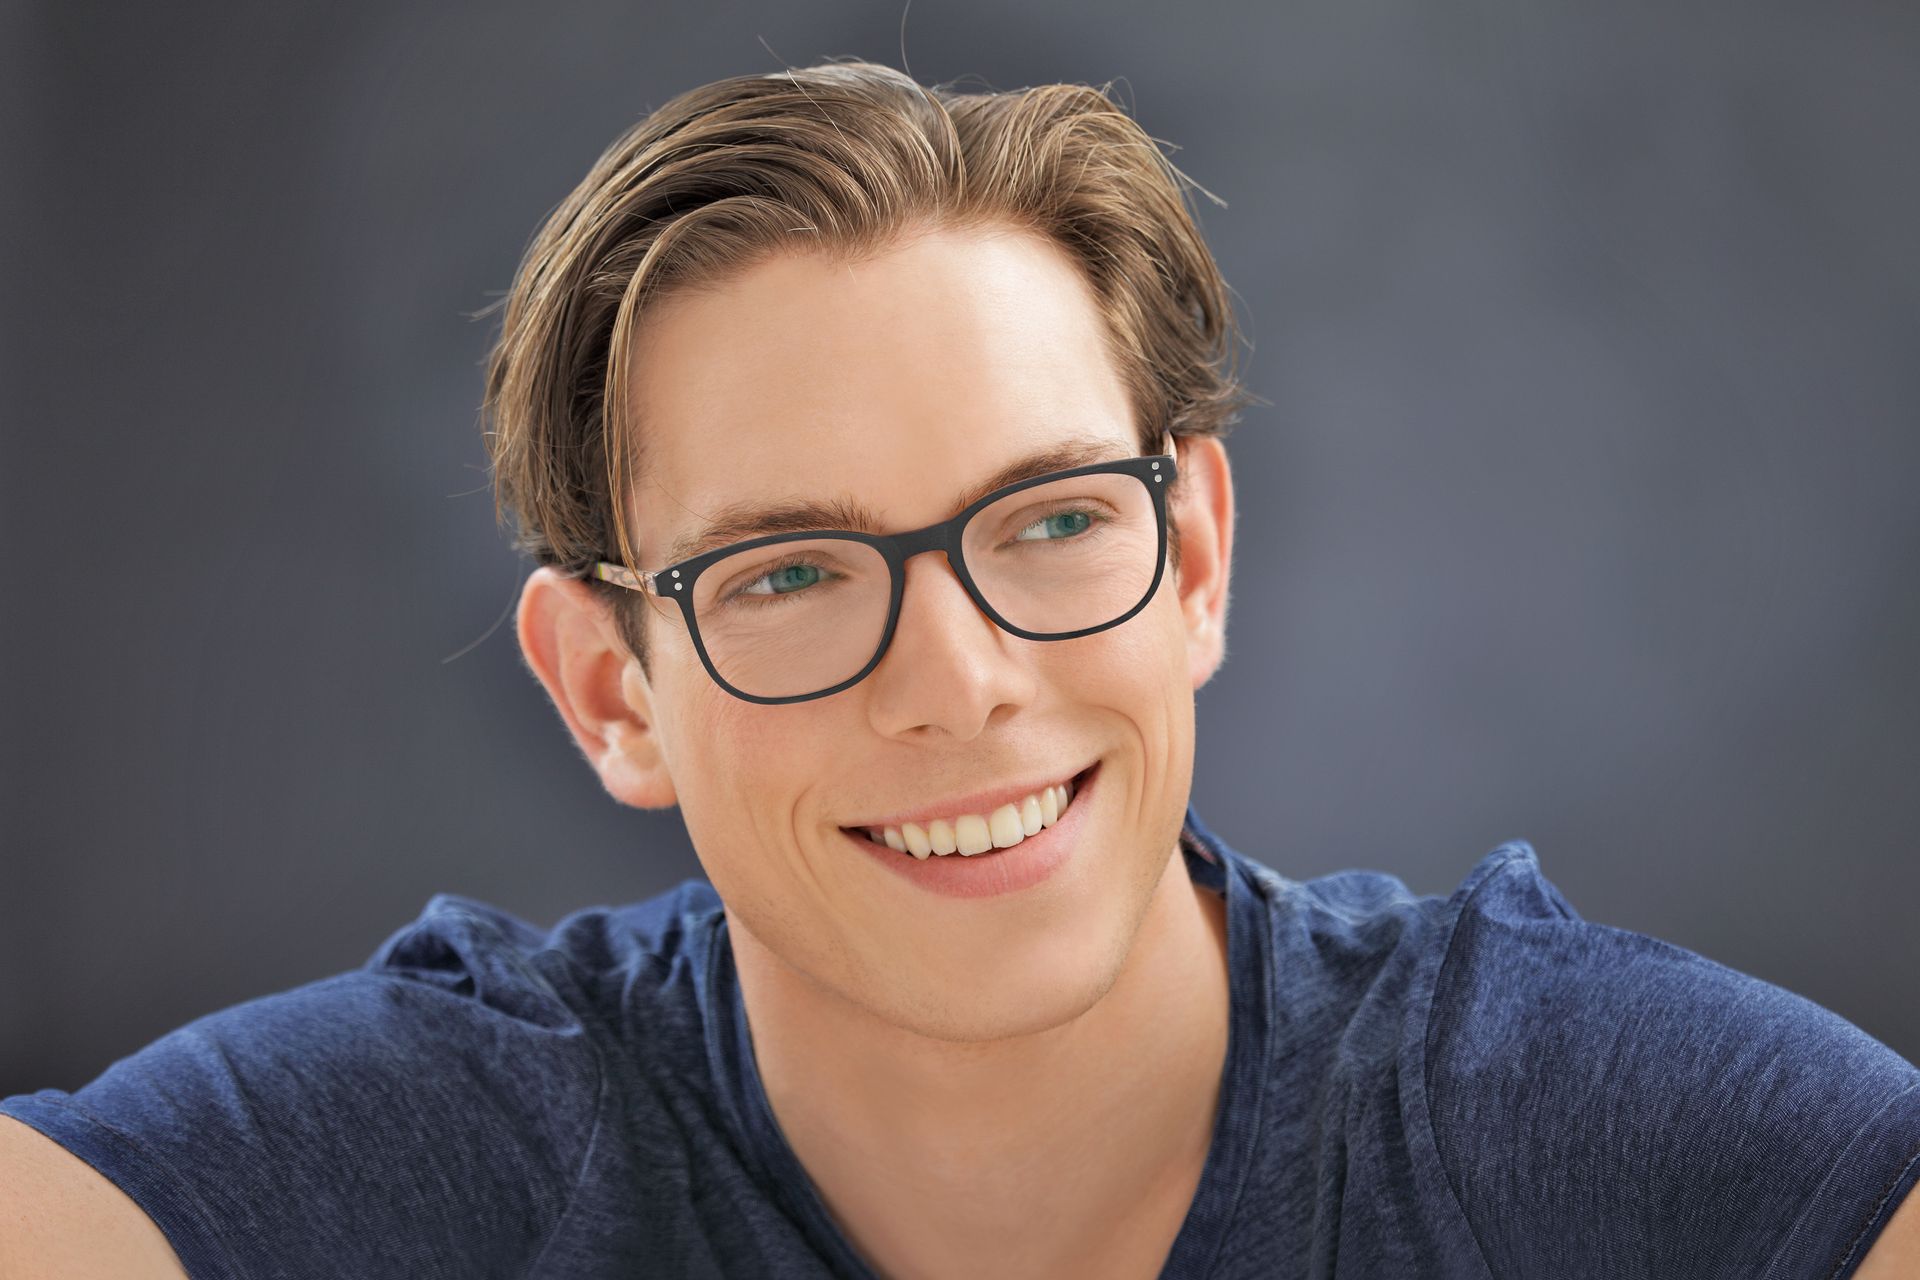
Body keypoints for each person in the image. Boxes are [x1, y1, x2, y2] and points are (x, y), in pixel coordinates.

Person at [2, 58, 1916, 1280]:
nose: (963, 679)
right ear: (612, 690)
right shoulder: (456, 1143)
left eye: (1054, 519)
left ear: (1195, 556)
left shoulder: (1560, 1112)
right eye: (787, 573)